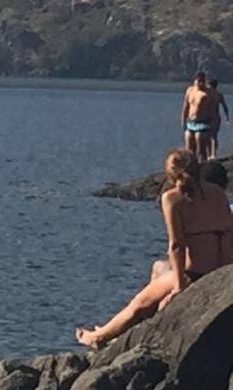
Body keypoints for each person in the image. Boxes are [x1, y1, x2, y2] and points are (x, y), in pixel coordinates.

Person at [76, 149, 233, 349]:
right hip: (222, 269)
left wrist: (178, 285)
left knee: (139, 304)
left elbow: (176, 244)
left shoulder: (172, 198)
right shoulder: (217, 193)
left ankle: (99, 337)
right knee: (159, 267)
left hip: (195, 273)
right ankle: (140, 325)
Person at [181, 71, 213, 162]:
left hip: (202, 123)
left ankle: (202, 163)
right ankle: (190, 165)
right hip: (191, 122)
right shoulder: (190, 90)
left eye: (202, 81)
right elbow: (185, 106)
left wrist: (213, 124)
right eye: (199, 81)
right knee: (189, 146)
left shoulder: (207, 93)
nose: (200, 83)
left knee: (199, 143)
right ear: (195, 81)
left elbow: (213, 110)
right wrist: (183, 120)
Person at [208, 79, 230, 160]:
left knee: (213, 136)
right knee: (208, 136)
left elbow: (225, 107)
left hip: (214, 118)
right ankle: (209, 153)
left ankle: (213, 154)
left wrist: (227, 117)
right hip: (209, 118)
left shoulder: (217, 95)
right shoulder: (210, 94)